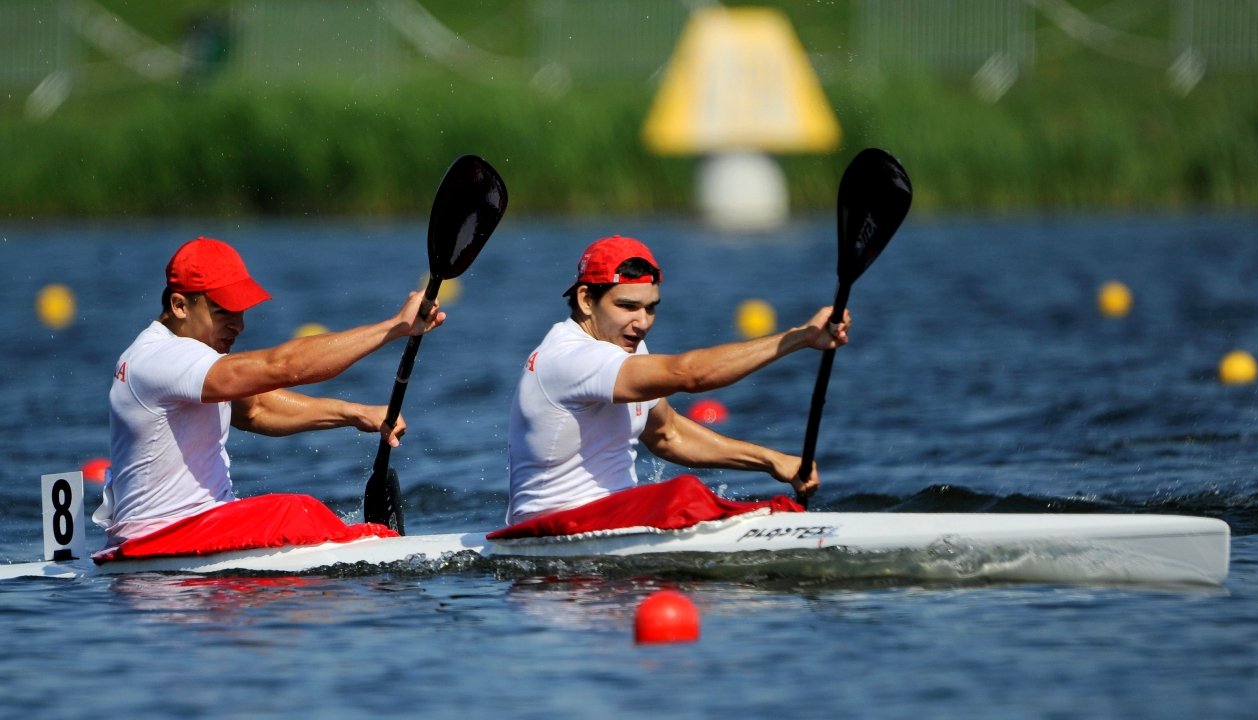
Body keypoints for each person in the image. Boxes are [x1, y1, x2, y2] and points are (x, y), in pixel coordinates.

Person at [93, 237, 444, 557]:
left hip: (197, 529)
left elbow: (257, 408)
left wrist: (355, 413)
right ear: (180, 305)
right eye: (223, 312)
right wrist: (394, 326)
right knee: (295, 511)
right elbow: (282, 366)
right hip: (163, 538)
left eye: (241, 310)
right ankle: (378, 549)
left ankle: (365, 542)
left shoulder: (180, 360)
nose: (239, 325)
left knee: (300, 516)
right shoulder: (161, 359)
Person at [503, 234, 849, 527]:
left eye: (650, 308)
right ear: (586, 300)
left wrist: (772, 460)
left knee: (685, 496)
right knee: (682, 493)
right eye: (627, 306)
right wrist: (798, 338)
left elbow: (668, 434)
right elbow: (690, 375)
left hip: (611, 522)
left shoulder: (624, 347)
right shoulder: (569, 358)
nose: (642, 323)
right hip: (552, 528)